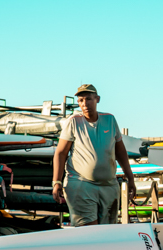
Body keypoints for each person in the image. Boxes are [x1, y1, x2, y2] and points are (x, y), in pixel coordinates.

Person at [52, 84, 136, 226]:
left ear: (97, 99)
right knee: (89, 230)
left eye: (89, 99)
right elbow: (61, 153)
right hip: (81, 183)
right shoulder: (73, 121)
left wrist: (130, 178)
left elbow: (120, 151)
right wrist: (57, 182)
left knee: (107, 231)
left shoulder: (109, 120)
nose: (85, 104)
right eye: (81, 100)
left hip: (108, 185)